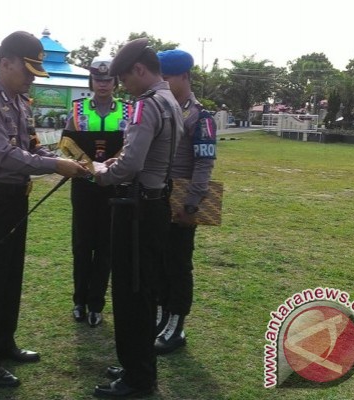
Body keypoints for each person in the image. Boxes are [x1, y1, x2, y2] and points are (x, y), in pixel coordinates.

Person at [0, 31, 88, 388]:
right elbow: (3, 155)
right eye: (28, 70)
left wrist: (62, 159)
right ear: (4, 63)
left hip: (15, 200)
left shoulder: (20, 102)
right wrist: (55, 167)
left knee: (10, 278)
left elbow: (32, 147)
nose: (32, 77)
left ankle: (4, 343)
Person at [91, 38, 183, 398]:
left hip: (137, 210)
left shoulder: (146, 106)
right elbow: (140, 156)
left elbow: (131, 163)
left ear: (140, 71)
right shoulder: (170, 100)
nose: (123, 86)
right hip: (155, 203)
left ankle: (138, 378)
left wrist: (99, 173)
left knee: (131, 293)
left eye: (125, 79)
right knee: (144, 290)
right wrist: (120, 164)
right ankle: (136, 362)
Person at [59, 57, 132, 327]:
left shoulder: (127, 111)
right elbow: (66, 142)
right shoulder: (77, 110)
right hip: (83, 184)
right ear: (92, 81)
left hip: (112, 184)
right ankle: (79, 300)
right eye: (98, 80)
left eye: (108, 79)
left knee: (106, 247)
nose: (103, 84)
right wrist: (89, 167)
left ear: (115, 82)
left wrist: (111, 165)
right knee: (81, 244)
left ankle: (96, 304)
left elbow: (131, 144)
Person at [153, 49, 216, 355]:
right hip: (157, 197)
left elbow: (204, 164)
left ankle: (176, 325)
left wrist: (191, 204)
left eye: (166, 77)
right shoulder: (162, 108)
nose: (162, 83)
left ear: (184, 76)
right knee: (159, 262)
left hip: (181, 201)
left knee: (178, 263)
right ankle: (162, 315)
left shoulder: (200, 117)